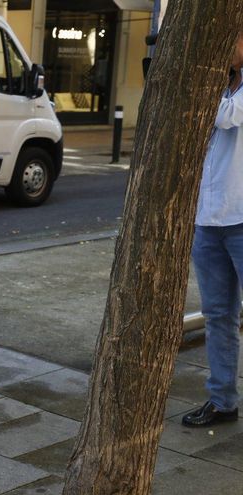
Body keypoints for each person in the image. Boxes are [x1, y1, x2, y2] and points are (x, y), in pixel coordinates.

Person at [182, 33, 243, 427]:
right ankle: (222, 401)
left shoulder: (220, 95)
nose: (226, 43)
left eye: (233, 36)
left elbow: (224, 116)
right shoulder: (220, 85)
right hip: (209, 220)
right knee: (218, 316)